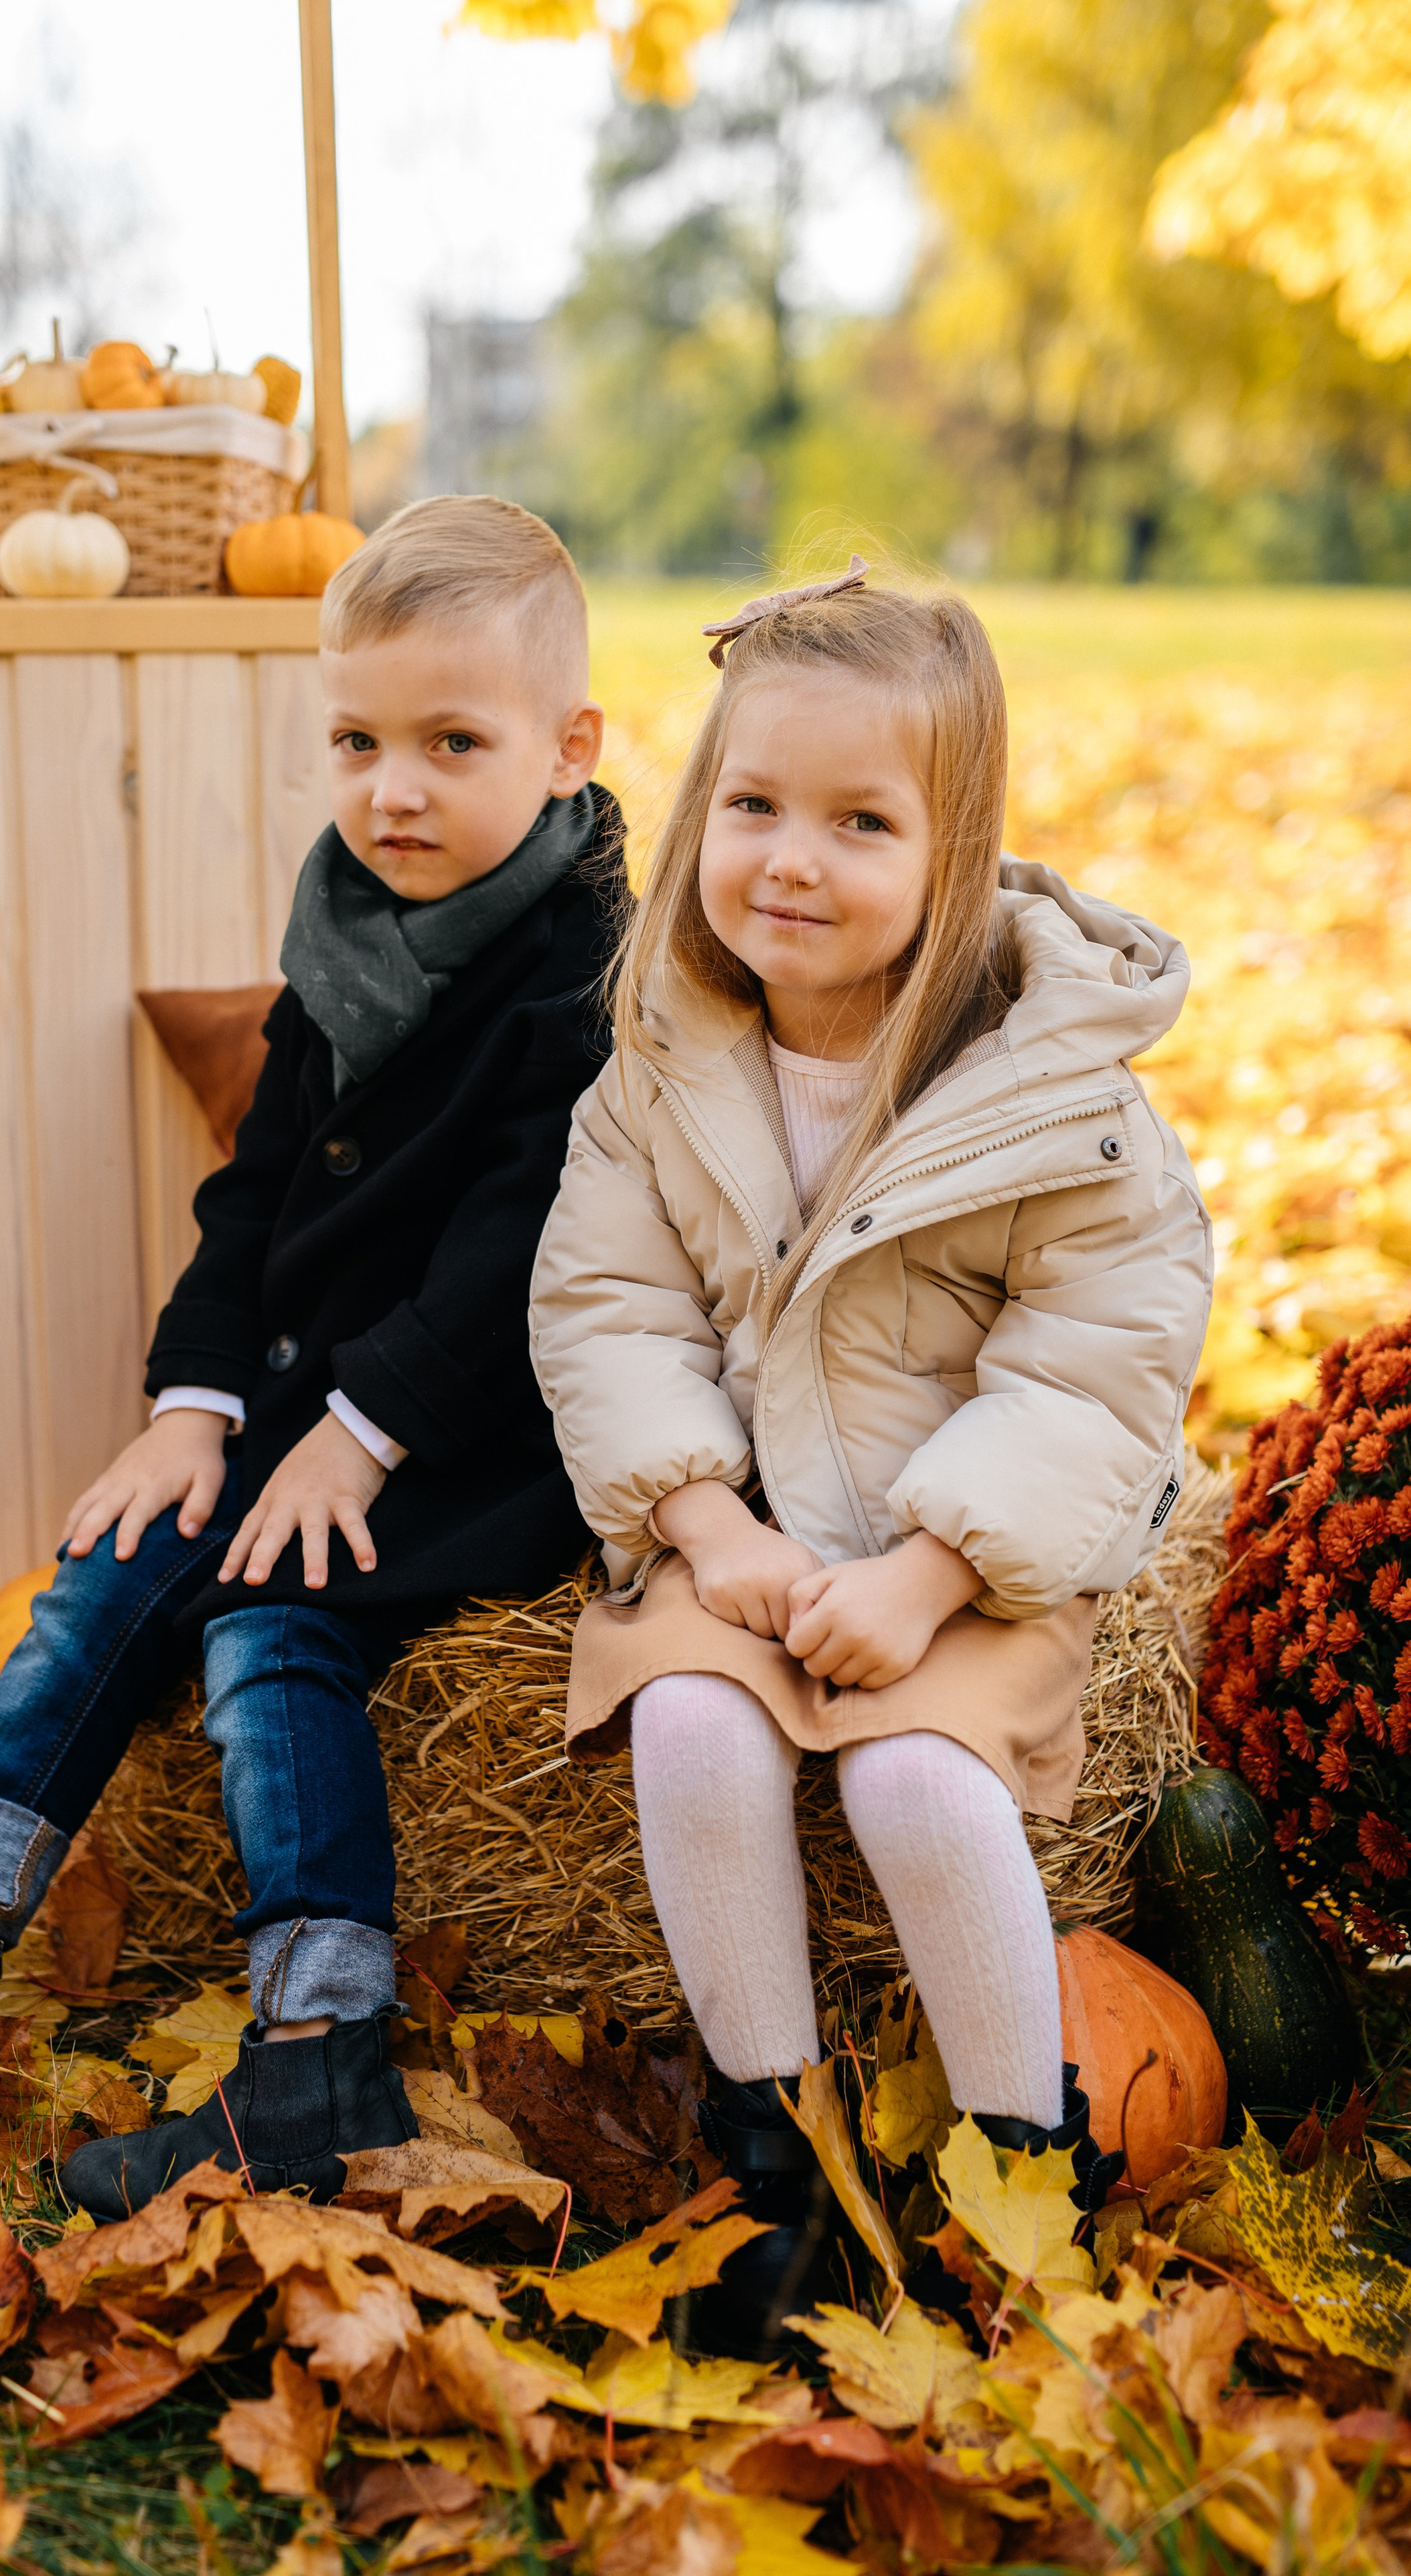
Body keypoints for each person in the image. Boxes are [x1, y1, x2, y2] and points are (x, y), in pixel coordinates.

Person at [0, 495, 622, 2217]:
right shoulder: (345, 941)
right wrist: (194, 1403)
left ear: (569, 745)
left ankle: (321, 2048)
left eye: (454, 744)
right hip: (299, 1404)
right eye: (358, 741)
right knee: (107, 1567)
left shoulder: (582, 974)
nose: (394, 789)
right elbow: (253, 1197)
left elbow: (528, 1243)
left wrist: (359, 1432)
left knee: (267, 1633)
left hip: (466, 1431)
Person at [528, 568, 1212, 2357]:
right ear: (699, 816)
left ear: (958, 848)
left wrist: (928, 1575)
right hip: (745, 1532)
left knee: (918, 1786)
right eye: (752, 806)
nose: (790, 862)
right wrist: (698, 1517)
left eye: (860, 822)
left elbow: (1092, 1367)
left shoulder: (1054, 1102)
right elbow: (605, 1300)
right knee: (690, 1723)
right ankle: (779, 2166)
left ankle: (1018, 2185)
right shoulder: (666, 1061)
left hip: (975, 1556)